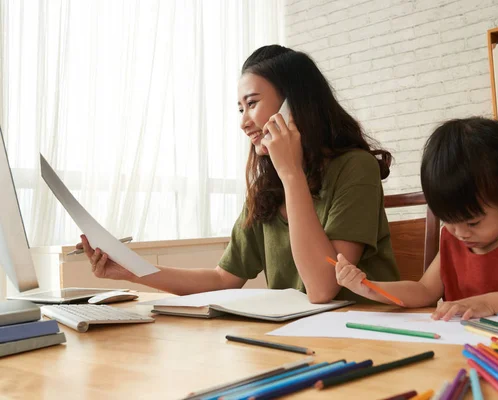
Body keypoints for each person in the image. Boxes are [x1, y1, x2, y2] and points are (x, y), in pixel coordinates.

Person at [78, 45, 400, 303]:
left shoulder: (355, 167)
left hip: (360, 332)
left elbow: (322, 289)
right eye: (240, 108)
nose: (244, 122)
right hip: (298, 337)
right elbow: (222, 279)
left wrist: (291, 175)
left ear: (294, 106)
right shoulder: (267, 188)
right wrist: (132, 270)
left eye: (253, 104)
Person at [335, 117, 498, 319]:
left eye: (473, 222)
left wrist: (489, 303)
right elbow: (423, 291)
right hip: (473, 352)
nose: (460, 232)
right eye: (447, 220)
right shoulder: (453, 236)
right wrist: (369, 287)